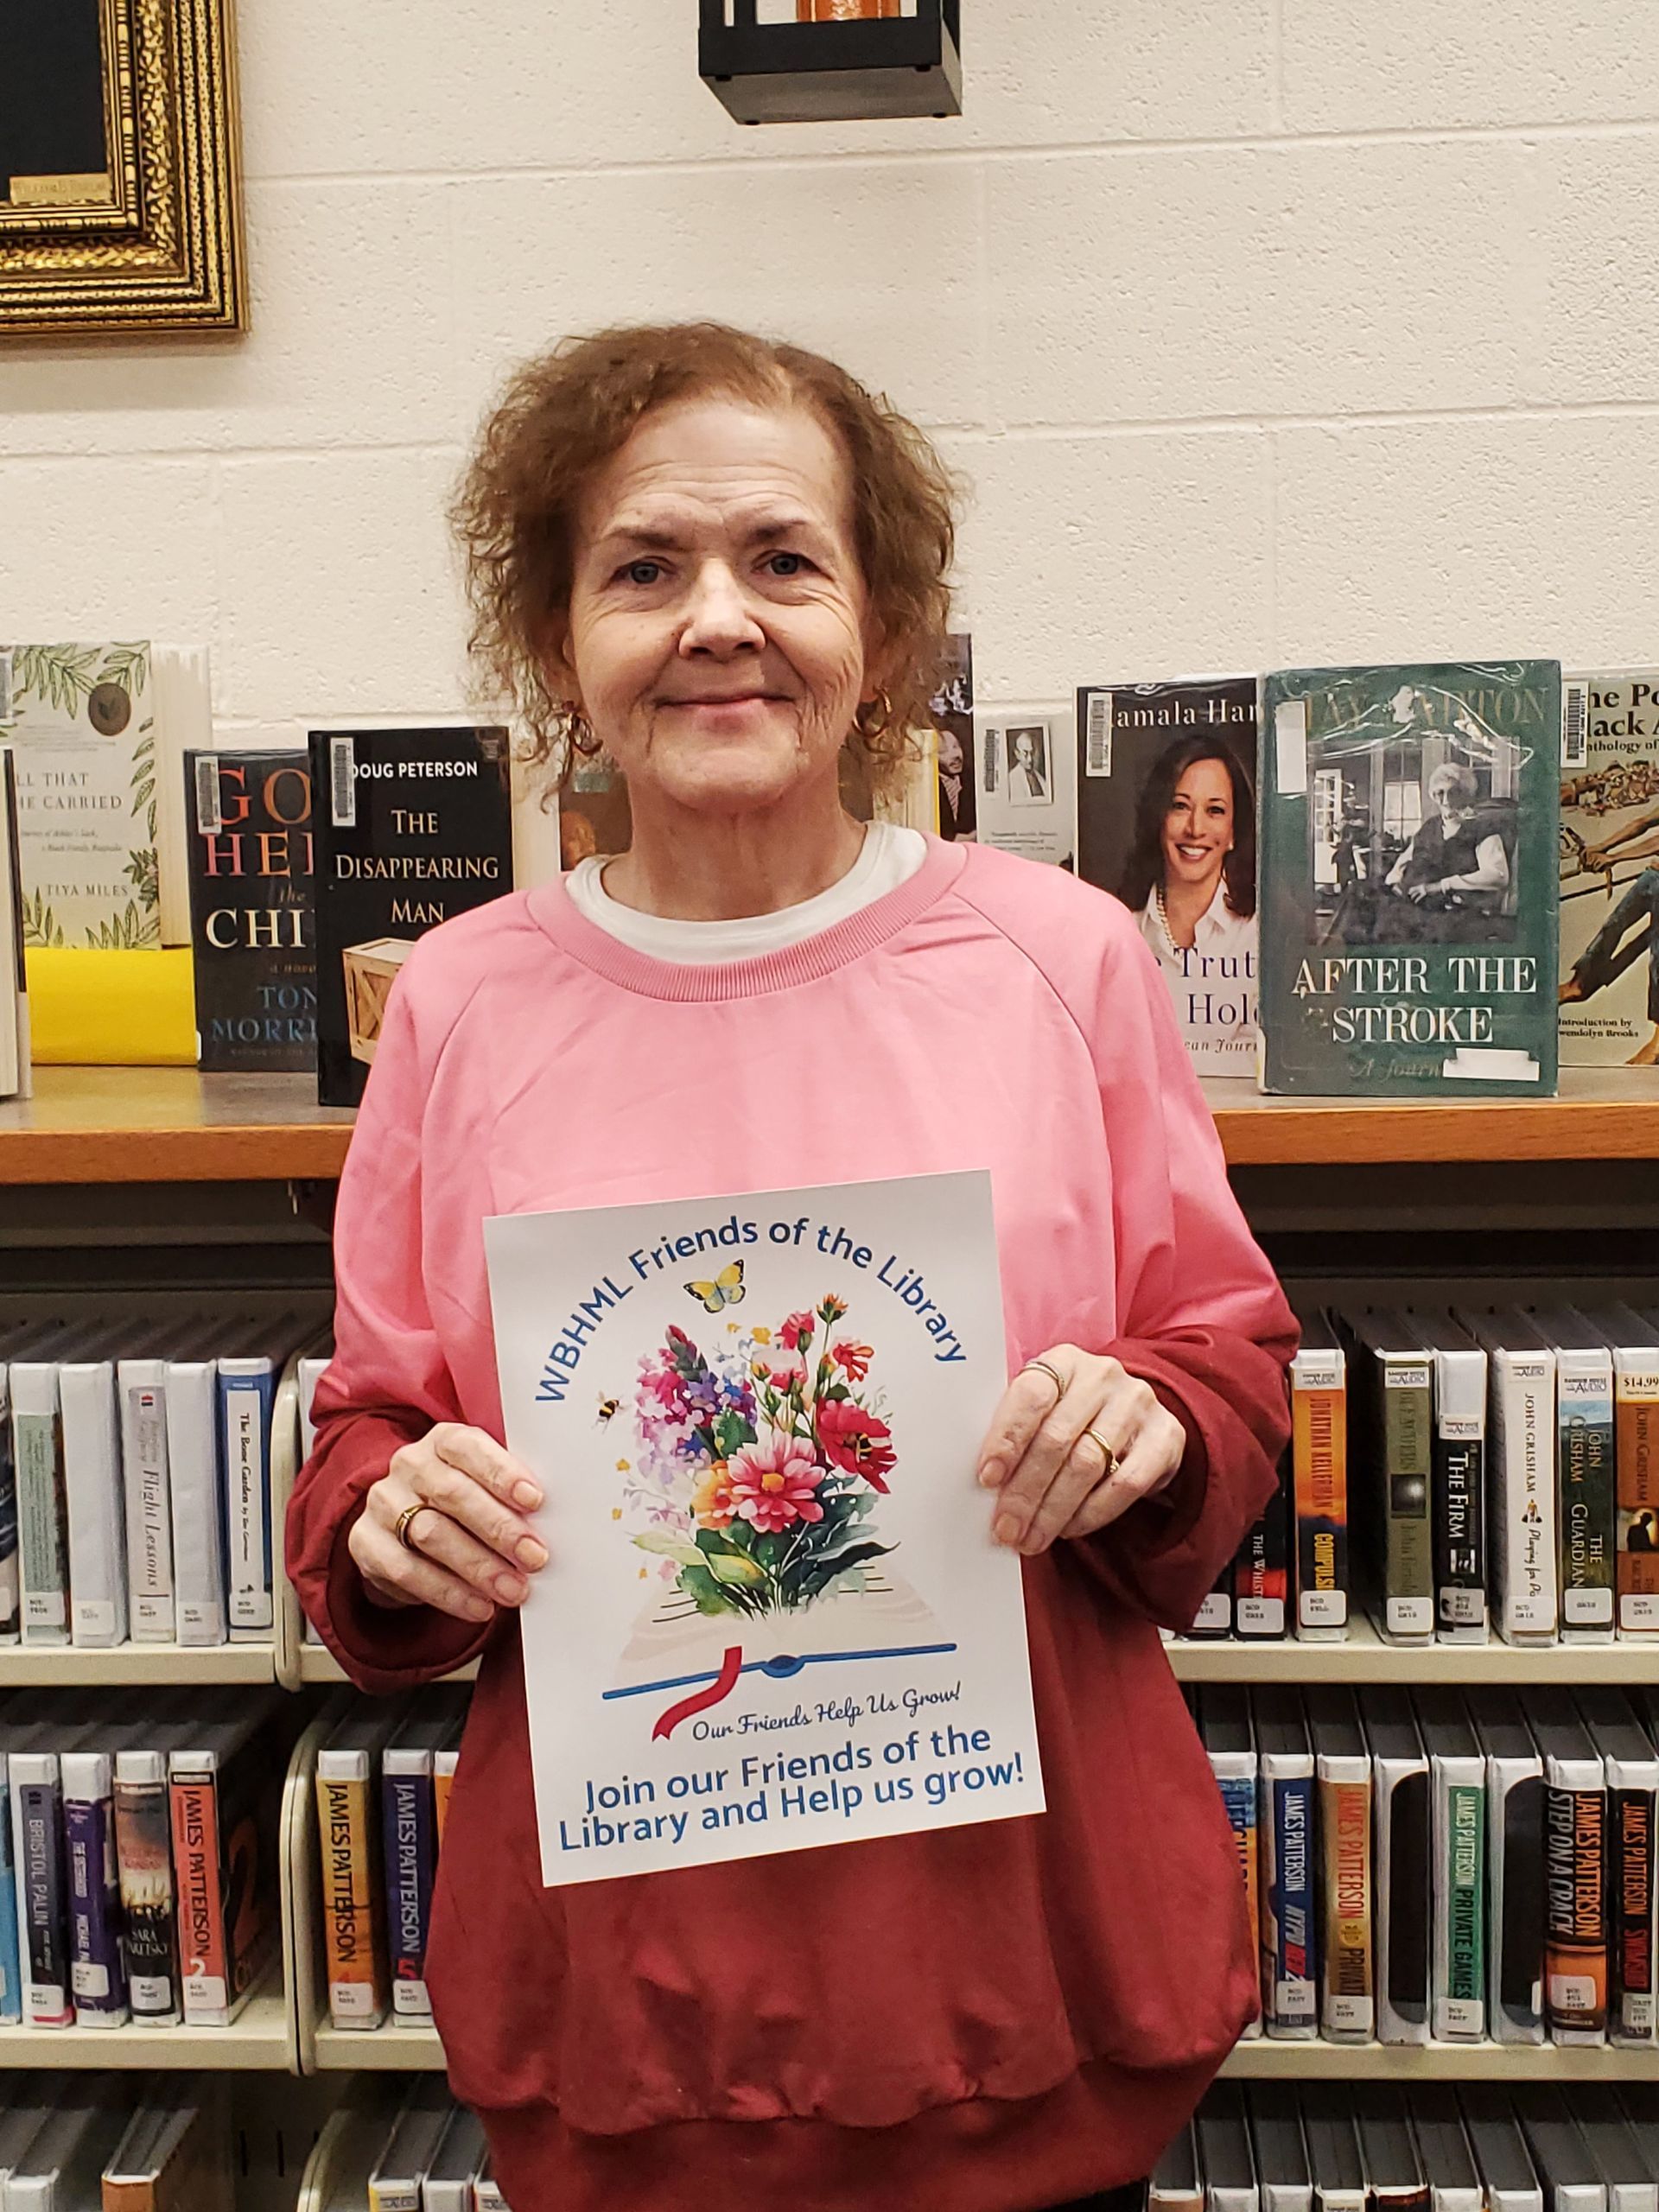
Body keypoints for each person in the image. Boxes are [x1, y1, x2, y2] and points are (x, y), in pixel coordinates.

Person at [287, 322, 1296, 2212]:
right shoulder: (460, 1001)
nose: (718, 619)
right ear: (557, 639)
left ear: (883, 626)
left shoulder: (1062, 956)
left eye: (785, 559)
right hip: (633, 2010)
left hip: (1018, 1977)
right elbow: (374, 1431)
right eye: (644, 569)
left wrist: (1151, 1415)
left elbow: (1224, 1358)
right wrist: (389, 1519)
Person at [1116, 734, 1256, 1040]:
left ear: (1234, 832)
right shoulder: (1120, 926)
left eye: (1215, 811)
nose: (1195, 829)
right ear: (1158, 819)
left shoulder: (1259, 935)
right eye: (1180, 806)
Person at [1560, 802, 1659, 1064]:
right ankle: (1579, 984)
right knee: (1613, 925)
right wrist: (1601, 847)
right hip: (1653, 877)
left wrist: (1614, 857)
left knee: (1658, 955)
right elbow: (1641, 823)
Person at [1007, 725, 1050, 803]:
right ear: (1017, 754)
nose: (1030, 759)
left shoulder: (1039, 777)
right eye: (1025, 753)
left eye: (1032, 753)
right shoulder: (1012, 779)